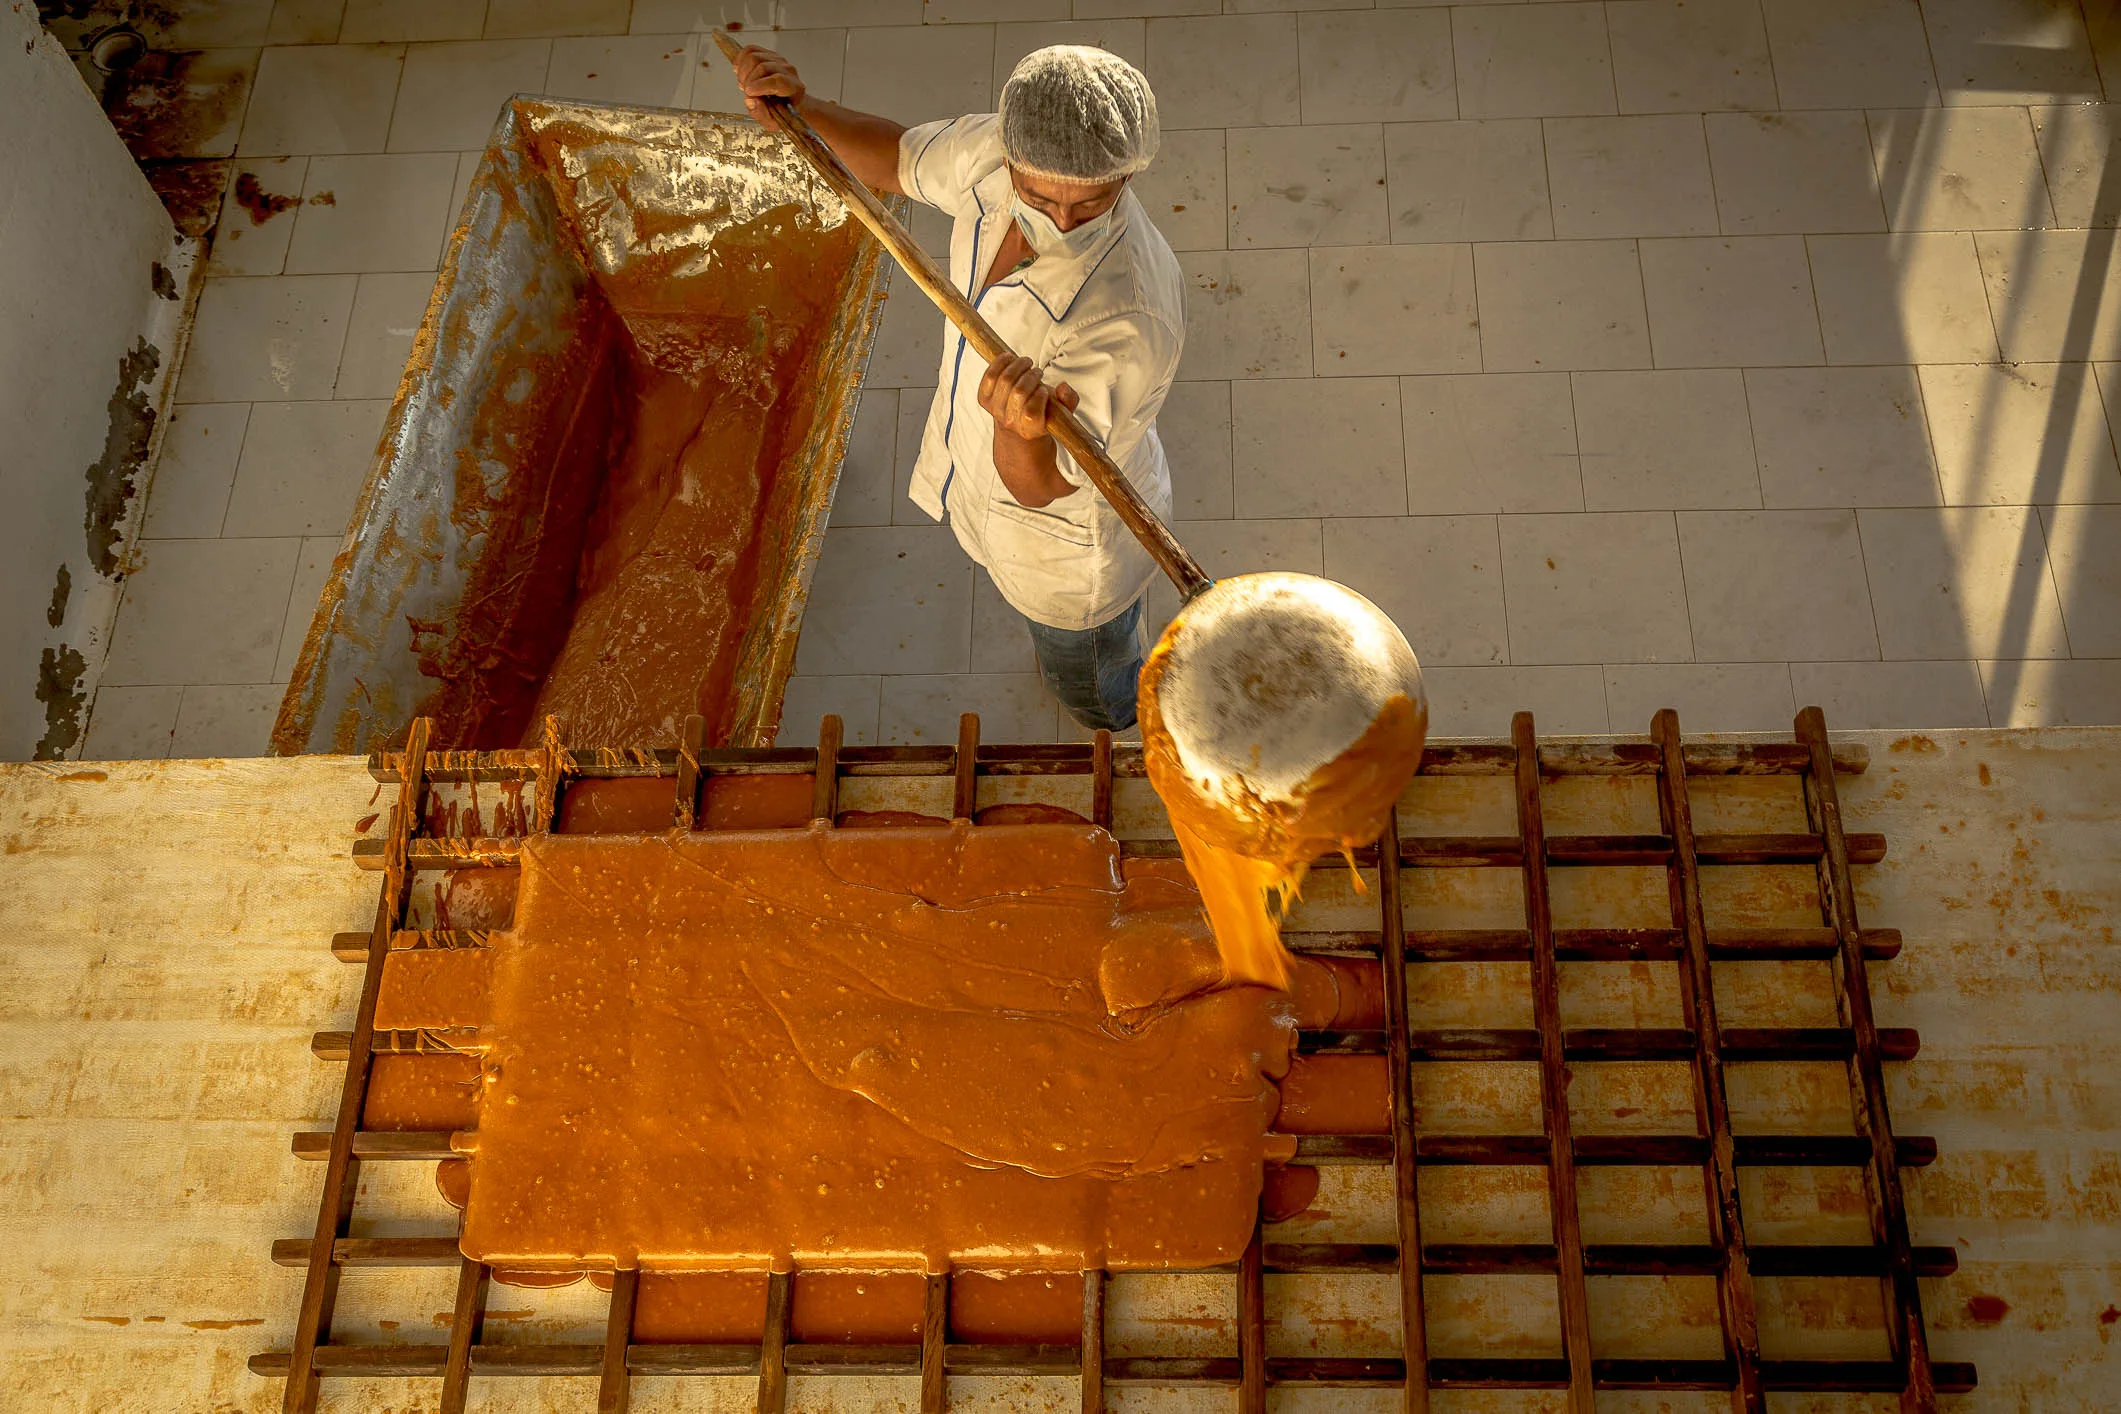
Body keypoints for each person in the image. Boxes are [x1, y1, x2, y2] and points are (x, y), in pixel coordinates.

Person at [735, 41, 1184, 733]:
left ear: (1126, 175)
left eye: (1091, 203)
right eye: (1038, 196)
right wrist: (803, 110)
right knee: (1066, 626)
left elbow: (1043, 488)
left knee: (1083, 655)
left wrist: (1017, 431)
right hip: (984, 476)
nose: (1061, 221)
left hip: (1063, 542)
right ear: (1010, 157)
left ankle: (1115, 711)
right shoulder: (992, 155)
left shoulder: (1127, 319)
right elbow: (900, 159)